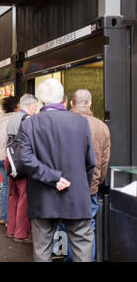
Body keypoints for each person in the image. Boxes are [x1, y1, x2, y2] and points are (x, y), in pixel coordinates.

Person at [19, 78, 96, 262]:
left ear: (42, 100)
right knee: (82, 249)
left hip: (43, 198)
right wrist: (80, 186)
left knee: (42, 251)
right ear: (63, 98)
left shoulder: (30, 123)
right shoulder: (81, 123)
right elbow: (89, 162)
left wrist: (53, 178)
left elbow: (26, 159)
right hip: (76, 196)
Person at [59, 89, 110, 262]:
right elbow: (103, 162)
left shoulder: (62, 123)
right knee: (87, 229)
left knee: (66, 225)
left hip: (64, 185)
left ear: (71, 103)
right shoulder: (102, 127)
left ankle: (68, 256)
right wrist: (97, 182)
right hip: (89, 188)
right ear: (89, 103)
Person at [6, 94, 38, 243]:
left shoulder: (12, 118)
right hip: (22, 162)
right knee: (24, 197)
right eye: (35, 107)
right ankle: (20, 233)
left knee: (13, 196)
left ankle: (11, 229)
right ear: (30, 106)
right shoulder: (28, 120)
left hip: (11, 160)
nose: (35, 110)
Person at [0, 96, 20, 226]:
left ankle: (4, 217)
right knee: (13, 188)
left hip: (0, 156)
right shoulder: (17, 119)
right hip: (11, 157)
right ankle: (11, 219)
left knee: (5, 186)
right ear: (15, 107)